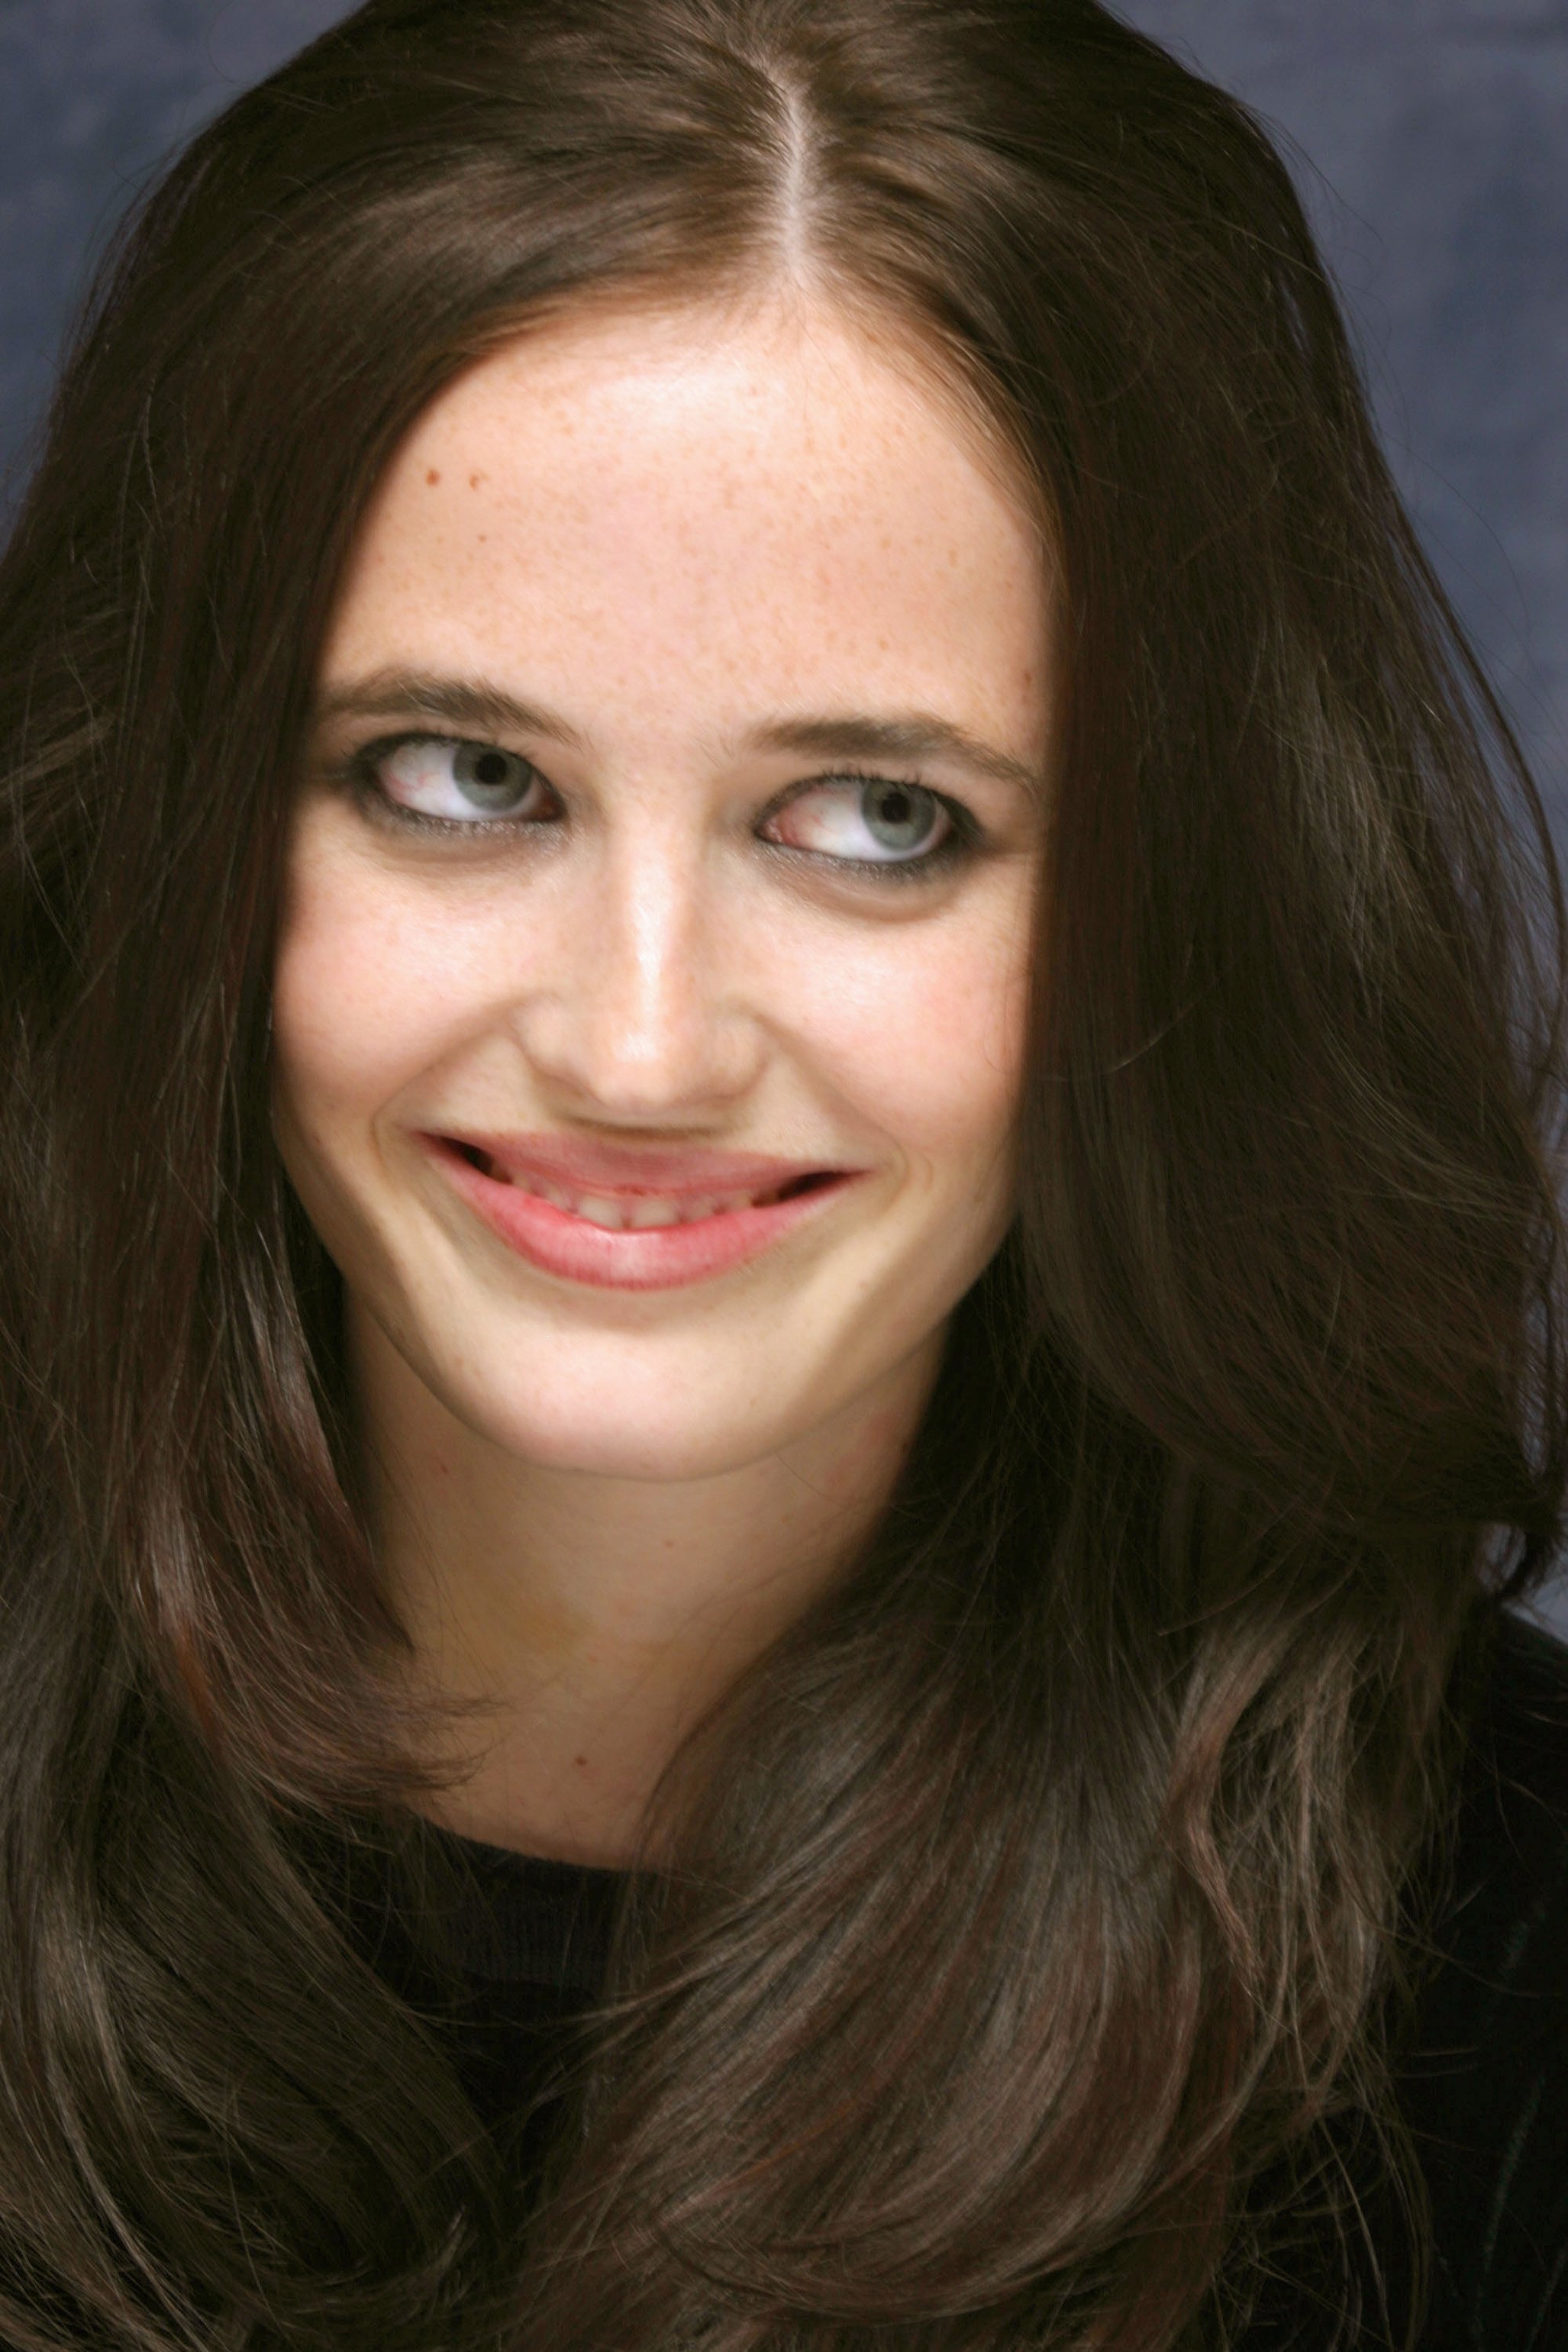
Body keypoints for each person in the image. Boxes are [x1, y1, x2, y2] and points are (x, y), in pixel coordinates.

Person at [0, 0, 1563, 2345]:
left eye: (879, 819)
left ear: (1180, 908)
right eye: (458, 777)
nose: (641, 1045)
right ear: (168, 824)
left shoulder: (1520, 1988)